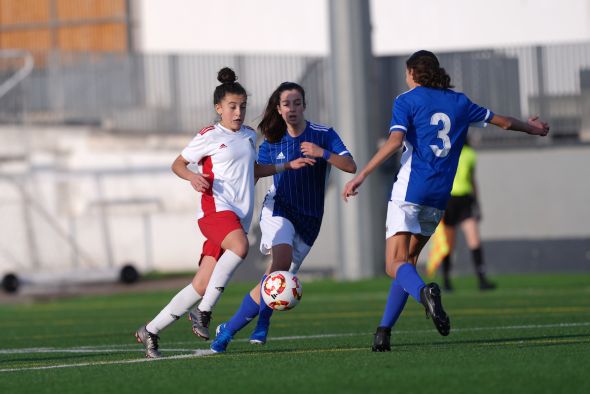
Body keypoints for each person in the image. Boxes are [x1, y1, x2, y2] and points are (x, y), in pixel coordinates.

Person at [341, 50, 549, 352]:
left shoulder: (406, 100)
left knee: (393, 265)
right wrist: (533, 128)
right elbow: (502, 122)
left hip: (410, 192)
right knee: (408, 263)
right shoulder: (460, 102)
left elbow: (395, 141)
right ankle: (383, 332)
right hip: (439, 197)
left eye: (407, 72)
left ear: (412, 72)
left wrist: (362, 175)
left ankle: (426, 293)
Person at [134, 68, 314, 358]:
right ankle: (204, 312)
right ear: (219, 108)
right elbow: (178, 164)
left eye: (242, 106)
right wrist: (192, 177)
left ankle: (151, 330)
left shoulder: (247, 135)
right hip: (215, 210)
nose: (238, 112)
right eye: (232, 107)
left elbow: (251, 170)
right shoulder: (208, 135)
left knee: (202, 283)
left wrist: (285, 166)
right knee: (241, 247)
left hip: (236, 217)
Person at [209, 81, 357, 353]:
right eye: (286, 104)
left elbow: (350, 165)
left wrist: (322, 153)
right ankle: (262, 324)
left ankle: (228, 329)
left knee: (274, 278)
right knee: (281, 261)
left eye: (297, 103)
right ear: (278, 109)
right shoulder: (272, 142)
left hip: (310, 219)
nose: (292, 109)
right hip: (279, 208)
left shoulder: (323, 135)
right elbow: (252, 173)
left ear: (304, 105)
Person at [441, 141, 496, 291]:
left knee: (474, 240)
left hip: (465, 200)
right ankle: (445, 280)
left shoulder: (469, 154)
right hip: (449, 200)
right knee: (448, 244)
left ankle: (482, 279)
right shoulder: (445, 152)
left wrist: (477, 203)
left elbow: (472, 180)